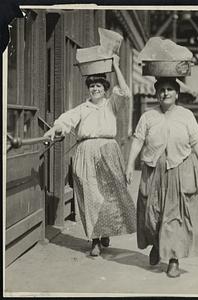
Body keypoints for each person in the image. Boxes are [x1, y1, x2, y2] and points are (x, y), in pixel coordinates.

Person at [44, 55, 136, 257]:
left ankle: (106, 231)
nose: (95, 89)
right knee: (90, 196)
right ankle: (94, 239)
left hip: (108, 151)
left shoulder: (112, 104)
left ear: (105, 88)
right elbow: (65, 121)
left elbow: (125, 92)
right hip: (85, 153)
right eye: (92, 86)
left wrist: (116, 66)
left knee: (110, 195)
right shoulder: (82, 108)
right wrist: (54, 129)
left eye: (99, 86)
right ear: (89, 88)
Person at [126, 77, 198, 278]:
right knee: (150, 213)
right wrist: (129, 166)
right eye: (162, 89)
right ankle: (156, 244)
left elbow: (197, 142)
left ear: (177, 94)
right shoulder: (148, 116)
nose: (165, 93)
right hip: (153, 169)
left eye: (170, 89)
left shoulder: (186, 115)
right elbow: (137, 141)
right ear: (157, 94)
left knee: (175, 216)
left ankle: (173, 259)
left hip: (179, 168)